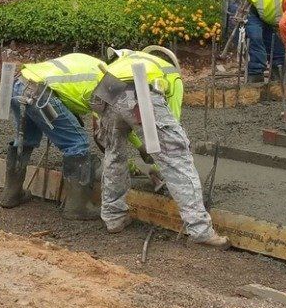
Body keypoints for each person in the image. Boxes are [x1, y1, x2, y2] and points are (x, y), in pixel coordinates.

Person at [90, 46, 229, 248]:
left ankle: (113, 217)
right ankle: (200, 230)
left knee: (114, 154)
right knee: (177, 156)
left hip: (107, 92)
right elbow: (173, 118)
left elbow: (115, 122)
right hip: (139, 90)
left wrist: (145, 145)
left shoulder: (121, 63)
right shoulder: (171, 73)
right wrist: (163, 157)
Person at [0, 52, 108, 216]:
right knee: (77, 143)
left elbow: (68, 92)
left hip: (18, 84)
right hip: (41, 94)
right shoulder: (103, 81)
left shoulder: (87, 62)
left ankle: (11, 194)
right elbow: (99, 121)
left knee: (25, 139)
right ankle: (77, 207)